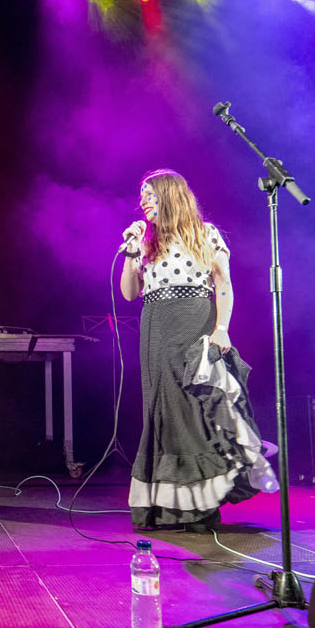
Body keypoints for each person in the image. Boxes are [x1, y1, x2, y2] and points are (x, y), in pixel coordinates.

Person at [119, 170, 273, 529]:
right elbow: (128, 293)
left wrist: (222, 329)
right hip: (156, 329)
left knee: (193, 412)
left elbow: (223, 284)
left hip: (194, 323)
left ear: (170, 196)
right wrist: (131, 252)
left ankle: (200, 508)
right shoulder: (147, 241)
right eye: (142, 196)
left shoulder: (206, 234)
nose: (143, 202)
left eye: (150, 195)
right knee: (164, 413)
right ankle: (167, 509)